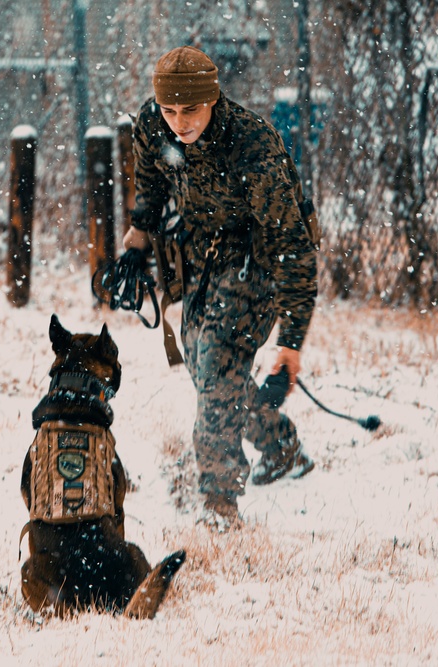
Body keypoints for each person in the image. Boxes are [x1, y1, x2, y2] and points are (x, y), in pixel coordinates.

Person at [122, 45, 320, 529]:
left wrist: (290, 346)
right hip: (204, 254)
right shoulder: (153, 124)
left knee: (215, 363)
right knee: (208, 366)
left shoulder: (252, 146)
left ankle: (218, 505)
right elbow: (150, 182)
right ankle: (282, 447)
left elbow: (294, 247)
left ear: (211, 98)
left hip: (261, 257)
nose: (179, 122)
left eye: (190, 109)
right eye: (170, 109)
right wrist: (137, 241)